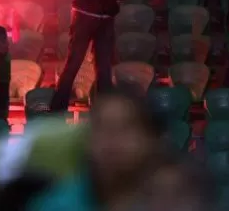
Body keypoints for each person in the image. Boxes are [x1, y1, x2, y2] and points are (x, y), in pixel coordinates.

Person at [30, 89, 165, 211]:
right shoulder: (56, 204)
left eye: (125, 126)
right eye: (102, 127)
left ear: (150, 139)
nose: (113, 137)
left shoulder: (171, 199)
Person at [49, 0, 132, 112]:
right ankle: (57, 108)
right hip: (86, 18)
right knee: (75, 62)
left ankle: (104, 110)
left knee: (103, 67)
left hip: (104, 18)